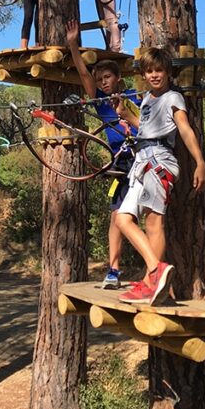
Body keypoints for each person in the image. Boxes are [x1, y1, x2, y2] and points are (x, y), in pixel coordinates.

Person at [112, 46, 205, 305]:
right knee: (122, 219)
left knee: (154, 223)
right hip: (141, 161)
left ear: (168, 73)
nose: (154, 75)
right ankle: (155, 270)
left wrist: (200, 162)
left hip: (159, 161)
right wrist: (125, 114)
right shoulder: (147, 100)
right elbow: (145, 129)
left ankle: (150, 281)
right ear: (144, 74)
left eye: (159, 70)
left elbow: (184, 129)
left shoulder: (173, 98)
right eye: (149, 71)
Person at [67, 20, 140, 289]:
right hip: (120, 161)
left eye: (107, 77)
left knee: (147, 216)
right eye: (100, 80)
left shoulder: (135, 95)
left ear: (118, 77)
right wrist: (73, 45)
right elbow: (84, 75)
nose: (103, 83)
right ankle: (114, 270)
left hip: (142, 157)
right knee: (117, 216)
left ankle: (156, 269)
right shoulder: (101, 101)